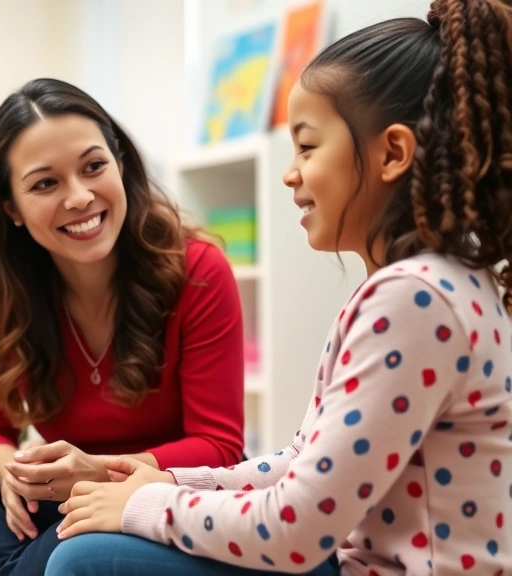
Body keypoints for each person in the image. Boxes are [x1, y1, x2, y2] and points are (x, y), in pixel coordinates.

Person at [50, 1, 512, 574]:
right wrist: (171, 480)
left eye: (308, 146)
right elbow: (301, 463)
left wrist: (145, 503)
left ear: (392, 152)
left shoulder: (415, 299)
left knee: (86, 559)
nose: (291, 172)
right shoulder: (428, 286)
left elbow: (295, 528)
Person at [0, 78, 247, 576]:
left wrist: (100, 472)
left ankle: (1, 566)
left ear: (120, 163)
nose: (80, 197)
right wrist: (14, 472)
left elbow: (220, 446)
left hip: (167, 494)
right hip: (60, 499)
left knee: (76, 552)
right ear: (10, 207)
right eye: (45, 183)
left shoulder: (199, 270)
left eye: (93, 167)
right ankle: (23, 564)